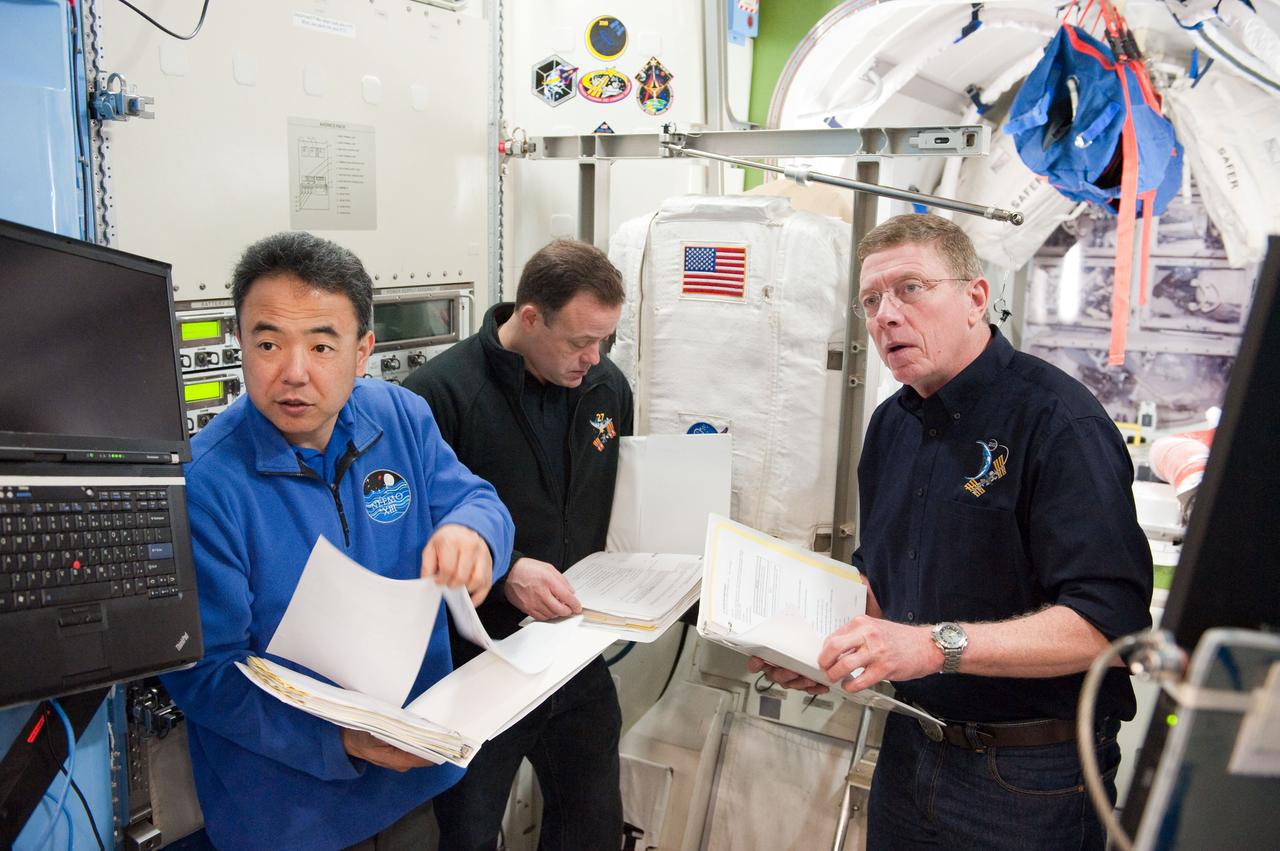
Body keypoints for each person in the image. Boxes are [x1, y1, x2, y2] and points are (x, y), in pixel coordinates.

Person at [751, 213, 1152, 851]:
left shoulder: (1058, 422)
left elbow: (1109, 625)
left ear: (975, 298)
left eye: (910, 288)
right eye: (871, 301)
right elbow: (885, 585)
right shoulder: (892, 424)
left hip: (1029, 776)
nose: (886, 314)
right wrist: (820, 649)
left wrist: (933, 647)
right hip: (912, 747)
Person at [160, 232, 515, 851]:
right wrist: (341, 739)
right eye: (268, 343)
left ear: (362, 351)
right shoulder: (205, 484)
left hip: (410, 780)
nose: (293, 373)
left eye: (322, 345)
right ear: (240, 342)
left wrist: (473, 534)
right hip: (287, 813)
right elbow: (204, 677)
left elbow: (477, 500)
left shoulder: (401, 417)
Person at [403, 239, 631, 851]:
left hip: (572, 651)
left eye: (604, 339)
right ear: (528, 317)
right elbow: (406, 533)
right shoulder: (438, 395)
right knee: (468, 835)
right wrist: (505, 574)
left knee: (591, 828)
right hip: (476, 660)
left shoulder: (606, 388)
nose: (594, 357)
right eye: (580, 341)